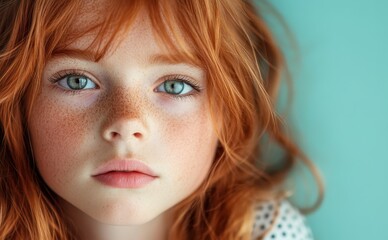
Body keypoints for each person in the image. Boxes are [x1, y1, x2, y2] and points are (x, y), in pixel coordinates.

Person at [0, 0, 324, 239]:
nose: (128, 123)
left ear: (228, 112)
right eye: (77, 81)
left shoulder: (264, 232)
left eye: (174, 85)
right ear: (17, 104)